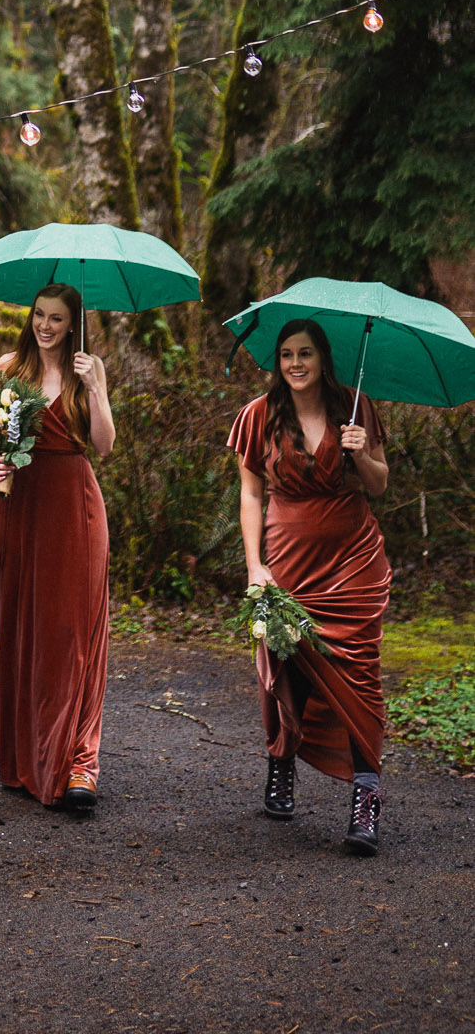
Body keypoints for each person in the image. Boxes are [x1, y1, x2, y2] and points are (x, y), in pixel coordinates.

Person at [228, 318, 390, 854]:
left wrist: (361, 453)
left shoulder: (355, 407)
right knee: (287, 662)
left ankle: (366, 798)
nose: (295, 363)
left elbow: (379, 484)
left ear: (323, 359)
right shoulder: (258, 415)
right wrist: (254, 565)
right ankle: (282, 760)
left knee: (361, 671)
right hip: (288, 561)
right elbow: (251, 495)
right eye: (287, 354)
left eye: (305, 353)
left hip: (353, 563)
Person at [0, 282, 115, 814]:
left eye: (57, 318)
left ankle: (79, 763)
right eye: (39, 315)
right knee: (25, 627)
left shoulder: (90, 369)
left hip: (74, 507)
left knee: (72, 632)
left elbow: (104, 446)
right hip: (21, 505)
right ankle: (29, 756)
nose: (45, 325)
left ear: (74, 324)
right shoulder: (9, 368)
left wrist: (96, 389)